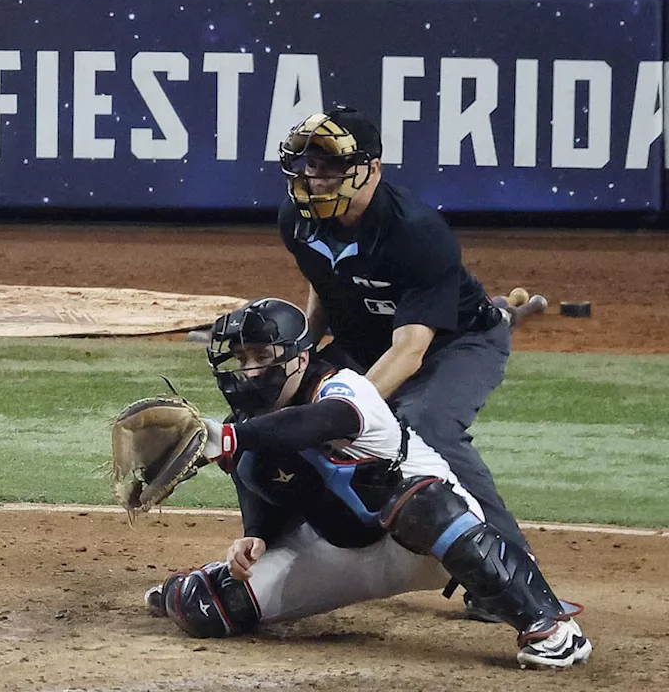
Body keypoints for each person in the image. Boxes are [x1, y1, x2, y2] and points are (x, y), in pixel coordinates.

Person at [143, 298, 592, 669]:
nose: (248, 370)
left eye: (262, 356)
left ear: (300, 358)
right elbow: (258, 480)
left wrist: (230, 437)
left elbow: (317, 424)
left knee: (420, 501)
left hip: (429, 542)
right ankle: (207, 589)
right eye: (242, 359)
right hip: (339, 555)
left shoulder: (343, 388)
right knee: (205, 607)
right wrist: (256, 535)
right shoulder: (244, 428)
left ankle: (551, 628)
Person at [273, 106, 528, 621]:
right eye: (308, 165)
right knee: (285, 407)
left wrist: (346, 411)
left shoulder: (416, 233)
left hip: (455, 345)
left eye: (329, 166)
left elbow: (410, 352)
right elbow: (324, 289)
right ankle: (284, 544)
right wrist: (303, 362)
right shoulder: (298, 218)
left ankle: (510, 575)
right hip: (368, 342)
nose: (314, 177)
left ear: (372, 167)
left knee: (426, 424)